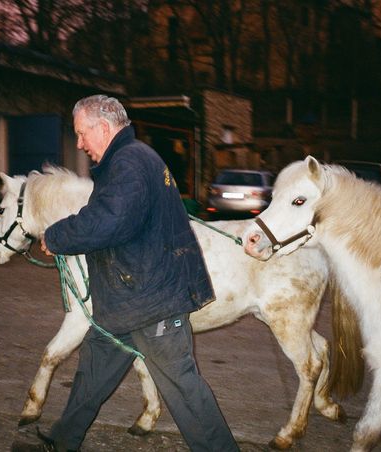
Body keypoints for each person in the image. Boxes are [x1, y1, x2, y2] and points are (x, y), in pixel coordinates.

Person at [35, 95, 239, 452]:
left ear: (103, 128)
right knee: (93, 372)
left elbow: (110, 220)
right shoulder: (133, 159)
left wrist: (57, 235)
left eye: (82, 135)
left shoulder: (129, 163)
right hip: (126, 300)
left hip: (151, 302)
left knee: (183, 389)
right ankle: (63, 441)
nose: (80, 144)